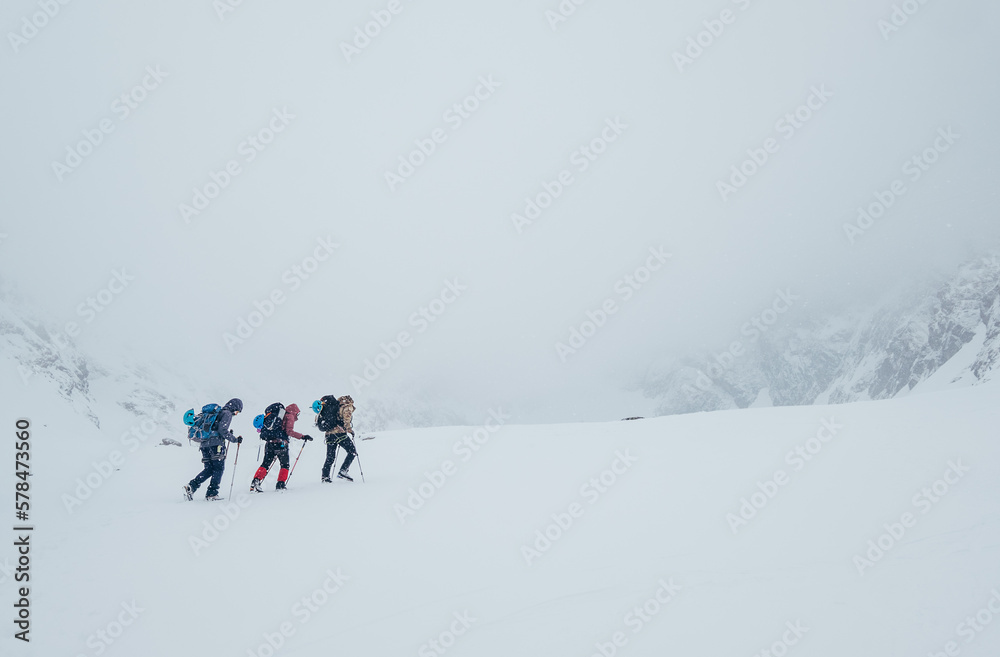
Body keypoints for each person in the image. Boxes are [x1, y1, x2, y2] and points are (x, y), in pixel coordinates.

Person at [184, 398, 243, 501]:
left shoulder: (217, 413)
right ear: (235, 407)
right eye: (237, 411)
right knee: (218, 468)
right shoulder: (227, 413)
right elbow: (222, 430)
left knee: (209, 469)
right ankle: (212, 493)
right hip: (216, 445)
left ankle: (192, 486)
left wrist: (227, 434)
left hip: (204, 444)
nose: (236, 414)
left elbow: (217, 428)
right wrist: (234, 439)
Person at [250, 403, 313, 492]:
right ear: (295, 411)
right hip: (281, 444)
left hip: (269, 443)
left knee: (265, 464)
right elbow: (289, 431)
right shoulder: (289, 415)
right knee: (285, 464)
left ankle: (255, 481)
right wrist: (302, 436)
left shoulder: (277, 415)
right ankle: (280, 484)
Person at [317, 395, 357, 482]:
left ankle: (325, 476)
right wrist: (349, 429)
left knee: (330, 457)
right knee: (352, 451)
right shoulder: (347, 406)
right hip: (339, 433)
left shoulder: (335, 405)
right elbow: (346, 418)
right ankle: (343, 470)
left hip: (329, 434)